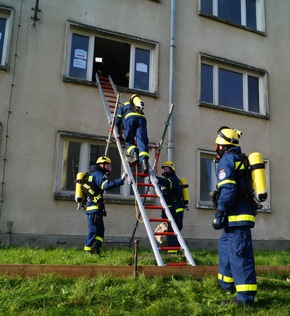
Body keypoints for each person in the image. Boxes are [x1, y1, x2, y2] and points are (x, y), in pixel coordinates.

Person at [212, 126, 257, 306]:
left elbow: (228, 188)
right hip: (233, 216)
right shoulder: (239, 158)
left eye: (217, 146)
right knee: (226, 250)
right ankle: (225, 283)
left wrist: (219, 211)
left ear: (222, 146)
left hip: (236, 214)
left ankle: (245, 298)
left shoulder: (227, 160)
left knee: (239, 254)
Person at [83, 156, 127, 255]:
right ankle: (88, 250)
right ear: (101, 165)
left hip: (95, 208)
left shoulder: (91, 174)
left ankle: (96, 248)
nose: (109, 167)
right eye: (107, 165)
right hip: (94, 207)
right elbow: (106, 186)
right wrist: (121, 179)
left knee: (100, 231)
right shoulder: (98, 174)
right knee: (93, 230)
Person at [115, 94, 150, 174]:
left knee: (128, 142)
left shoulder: (124, 105)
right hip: (142, 119)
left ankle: (134, 154)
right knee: (142, 143)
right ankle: (144, 164)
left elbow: (118, 119)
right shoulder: (138, 107)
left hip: (130, 119)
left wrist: (118, 133)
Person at [156, 161, 184, 252]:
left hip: (176, 210)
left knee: (173, 231)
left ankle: (174, 253)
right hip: (168, 210)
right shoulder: (164, 182)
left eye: (166, 168)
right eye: (163, 168)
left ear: (172, 170)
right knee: (169, 231)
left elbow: (167, 183)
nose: (164, 170)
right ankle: (172, 251)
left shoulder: (174, 180)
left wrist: (155, 178)